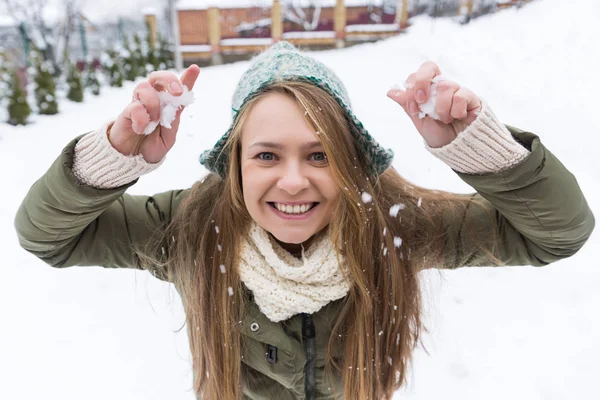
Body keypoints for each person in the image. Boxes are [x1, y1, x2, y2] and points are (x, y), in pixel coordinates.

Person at [15, 41, 594, 400]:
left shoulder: (392, 223)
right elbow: (48, 236)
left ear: (350, 161)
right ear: (234, 164)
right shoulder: (188, 227)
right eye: (266, 155)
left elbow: (557, 233)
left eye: (320, 155)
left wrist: (480, 149)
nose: (293, 180)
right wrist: (112, 158)